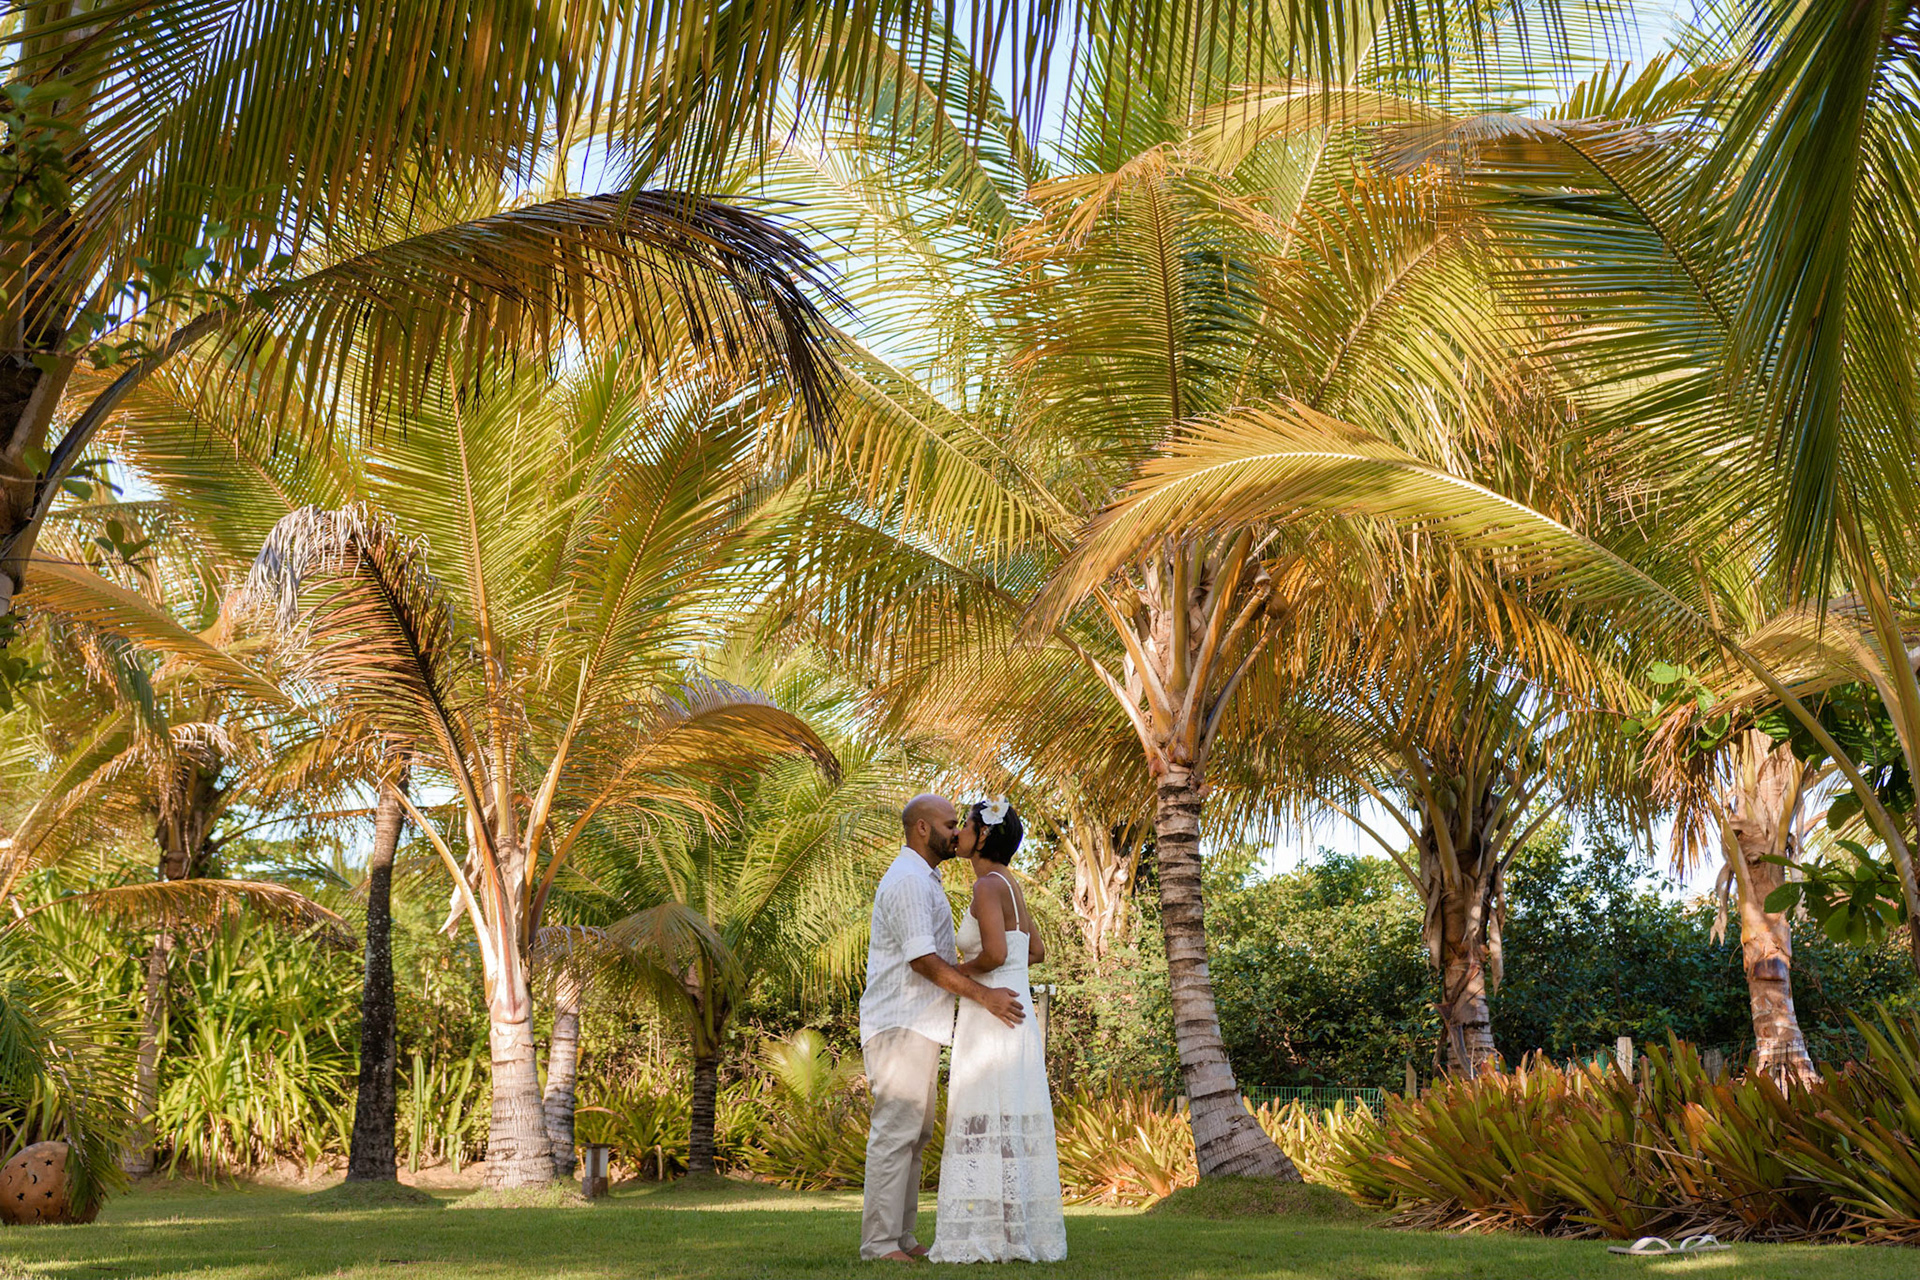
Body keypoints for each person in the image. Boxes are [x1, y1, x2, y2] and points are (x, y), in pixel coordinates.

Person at [860, 793, 1025, 1263]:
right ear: (922, 830)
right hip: (899, 1023)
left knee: (915, 1136)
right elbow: (925, 963)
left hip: (923, 1025)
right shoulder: (909, 881)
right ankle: (878, 1244)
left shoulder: (926, 879)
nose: (957, 831)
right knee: (896, 1134)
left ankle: (903, 1238)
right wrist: (985, 996)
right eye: (951, 823)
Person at [928, 797, 1068, 1263]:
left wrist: (954, 972)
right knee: (1006, 1118)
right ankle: (1012, 1235)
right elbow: (1035, 951)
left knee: (988, 1115)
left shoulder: (987, 886)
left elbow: (995, 953)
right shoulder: (1010, 885)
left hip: (993, 1015)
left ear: (982, 835)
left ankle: (991, 1238)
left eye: (963, 825)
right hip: (1014, 1009)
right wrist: (1003, 976)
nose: (957, 833)